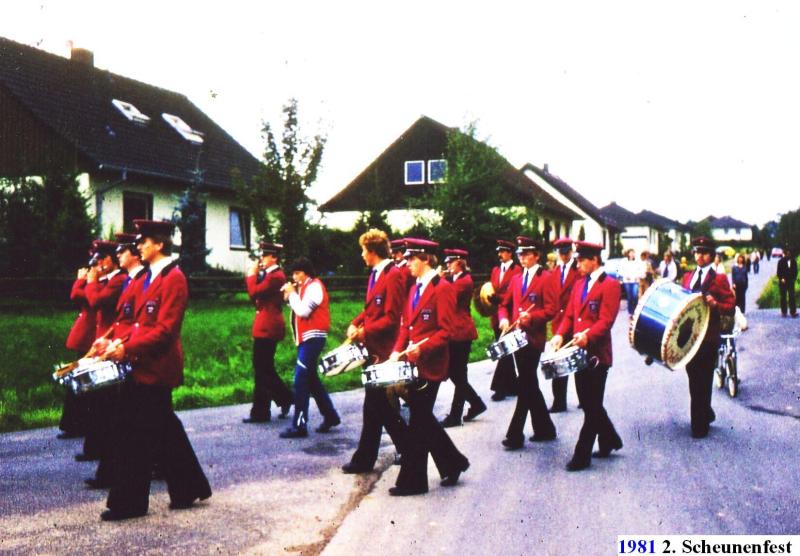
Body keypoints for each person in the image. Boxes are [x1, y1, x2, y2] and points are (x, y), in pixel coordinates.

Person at [100, 219, 211, 520]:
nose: (139, 246)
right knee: (161, 427)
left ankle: (130, 504)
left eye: (144, 241)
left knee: (134, 433)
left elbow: (165, 330)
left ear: (160, 244)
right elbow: (135, 324)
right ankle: (188, 486)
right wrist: (114, 342)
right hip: (141, 363)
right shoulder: (148, 277)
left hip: (157, 365)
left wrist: (126, 348)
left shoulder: (173, 278)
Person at [388, 238, 469, 496]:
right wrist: (394, 352)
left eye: (411, 259)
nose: (407, 263)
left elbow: (447, 331)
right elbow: (405, 326)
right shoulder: (414, 288)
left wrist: (423, 347)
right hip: (413, 363)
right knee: (423, 420)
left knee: (417, 423)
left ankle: (413, 482)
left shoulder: (443, 288)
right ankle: (453, 463)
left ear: (425, 259)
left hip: (432, 366)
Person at [550, 241, 623, 471]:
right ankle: (610, 439)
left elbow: (606, 320)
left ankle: (581, 456)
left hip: (597, 355)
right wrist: (560, 335)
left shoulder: (609, 285)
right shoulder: (579, 284)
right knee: (590, 403)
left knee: (591, 406)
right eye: (577, 260)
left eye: (581, 260)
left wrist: (588, 336)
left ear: (594, 260)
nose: (578, 265)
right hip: (578, 354)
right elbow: (570, 316)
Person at [342, 229, 408, 473]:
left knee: (376, 406)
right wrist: (356, 321)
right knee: (375, 407)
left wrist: (364, 332)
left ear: (373, 252)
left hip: (384, 350)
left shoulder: (393, 275)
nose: (361, 255)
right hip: (373, 349)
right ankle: (369, 457)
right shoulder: (376, 274)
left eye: (363, 251)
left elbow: (392, 318)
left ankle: (403, 450)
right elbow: (371, 310)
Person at [85, 233, 146, 490]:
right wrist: (106, 339)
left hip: (137, 355)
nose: (117, 256)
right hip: (122, 349)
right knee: (142, 420)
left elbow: (140, 324)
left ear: (134, 253)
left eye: (123, 252)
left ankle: (114, 477)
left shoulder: (142, 279)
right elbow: (121, 321)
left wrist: (118, 344)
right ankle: (110, 474)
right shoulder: (132, 279)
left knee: (131, 420)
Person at [497, 237, 557, 449]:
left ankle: (515, 434)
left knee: (525, 382)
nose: (522, 258)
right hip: (515, 338)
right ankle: (545, 428)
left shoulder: (546, 277)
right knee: (529, 383)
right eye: (520, 254)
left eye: (527, 254)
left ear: (537, 255)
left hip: (533, 338)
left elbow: (551, 309)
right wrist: (504, 318)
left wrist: (532, 318)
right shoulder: (515, 279)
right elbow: (504, 305)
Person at [680, 236, 736, 438]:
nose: (699, 256)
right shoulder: (688, 276)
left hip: (709, 337)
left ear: (712, 256)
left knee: (702, 379)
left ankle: (699, 426)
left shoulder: (719, 278)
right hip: (690, 338)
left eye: (704, 253)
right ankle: (706, 412)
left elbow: (730, 306)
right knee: (693, 377)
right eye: (697, 252)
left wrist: (716, 305)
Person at [279, 257, 341, 438]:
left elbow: (303, 311)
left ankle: (299, 425)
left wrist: (291, 294)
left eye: (298, 273)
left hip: (313, 337)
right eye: (294, 273)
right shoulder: (305, 287)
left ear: (306, 273)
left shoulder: (314, 287)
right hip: (306, 339)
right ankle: (330, 416)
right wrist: (290, 297)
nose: (295, 277)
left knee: (300, 380)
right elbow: (298, 308)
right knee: (311, 379)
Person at [79, 240, 126, 464]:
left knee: (105, 402)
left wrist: (90, 282)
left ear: (112, 259)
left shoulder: (119, 280)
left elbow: (96, 300)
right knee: (98, 400)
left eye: (103, 259)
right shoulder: (110, 280)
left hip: (112, 343)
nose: (99, 264)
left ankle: (101, 453)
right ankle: (95, 449)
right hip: (104, 341)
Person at [243, 242, 293, 423]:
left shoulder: (276, 276)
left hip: (269, 325)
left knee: (262, 368)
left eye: (265, 256)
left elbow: (254, 292)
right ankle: (263, 410)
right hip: (265, 324)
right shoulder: (271, 275)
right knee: (263, 368)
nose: (261, 259)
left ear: (274, 258)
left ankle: (282, 399)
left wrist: (251, 275)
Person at [439, 248, 486, 428]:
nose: (448, 266)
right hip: (456, 331)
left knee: (457, 373)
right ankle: (475, 403)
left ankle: (456, 415)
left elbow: (448, 296)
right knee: (456, 374)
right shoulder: (456, 279)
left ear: (460, 262)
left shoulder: (464, 281)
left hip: (461, 331)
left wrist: (439, 279)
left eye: (451, 262)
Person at [58, 246, 98, 439]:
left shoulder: (99, 282)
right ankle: (74, 423)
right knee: (78, 379)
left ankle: (77, 424)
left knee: (83, 381)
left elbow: (79, 295)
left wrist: (83, 281)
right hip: (86, 335)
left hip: (92, 335)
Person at [548, 237, 579, 413]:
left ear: (571, 251)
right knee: (558, 364)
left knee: (580, 363)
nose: (563, 255)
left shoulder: (579, 270)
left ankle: (585, 398)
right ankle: (559, 401)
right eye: (560, 252)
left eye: (566, 252)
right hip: (559, 323)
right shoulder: (556, 271)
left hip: (575, 324)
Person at [488, 239, 522, 401]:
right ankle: (514, 385)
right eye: (499, 251)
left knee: (504, 351)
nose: (500, 254)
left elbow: (514, 295)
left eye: (503, 251)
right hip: (498, 315)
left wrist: (499, 298)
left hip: (510, 316)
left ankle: (499, 388)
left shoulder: (517, 271)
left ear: (510, 253)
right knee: (506, 352)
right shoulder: (495, 270)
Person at [620, 249, 642, 317]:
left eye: (633, 253)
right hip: (627, 281)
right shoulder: (624, 261)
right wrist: (625, 276)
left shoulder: (637, 262)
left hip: (635, 281)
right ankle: (630, 312)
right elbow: (620, 270)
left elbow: (640, 270)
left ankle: (635, 311)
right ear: (628, 254)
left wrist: (638, 276)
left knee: (635, 296)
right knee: (630, 297)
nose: (632, 254)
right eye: (631, 253)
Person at [777, 247, 798, 318]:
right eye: (787, 253)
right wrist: (781, 278)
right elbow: (778, 272)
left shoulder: (793, 261)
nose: (788, 255)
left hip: (791, 281)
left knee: (792, 296)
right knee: (783, 297)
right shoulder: (780, 261)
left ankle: (793, 312)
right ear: (785, 254)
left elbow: (795, 271)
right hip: (783, 281)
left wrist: (793, 279)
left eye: (789, 254)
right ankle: (784, 312)